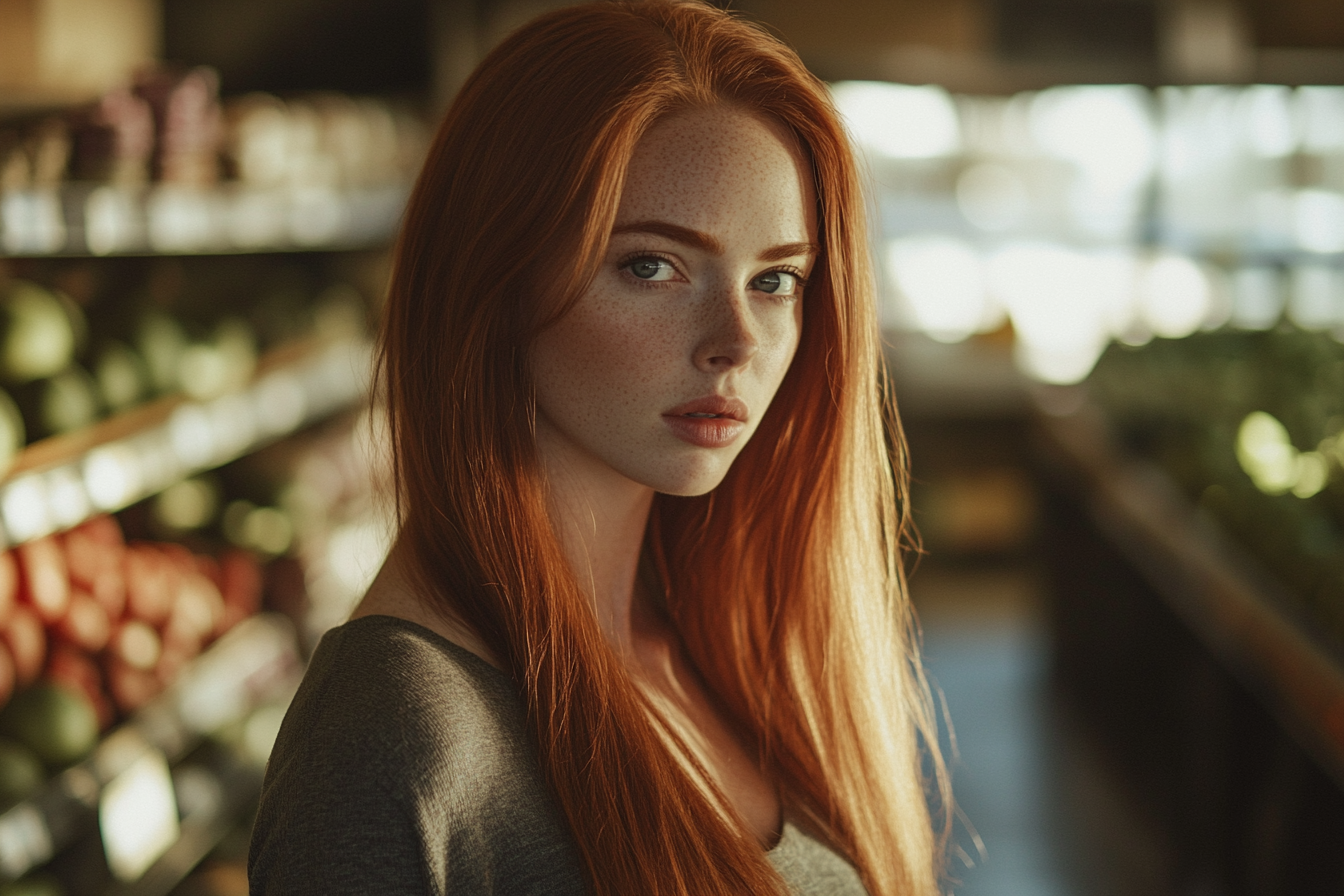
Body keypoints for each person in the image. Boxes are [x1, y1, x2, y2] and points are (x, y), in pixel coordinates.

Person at [248, 1, 949, 894]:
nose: (735, 340)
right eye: (651, 266)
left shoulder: (724, 635)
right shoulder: (391, 742)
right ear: (491, 279)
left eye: (776, 279)